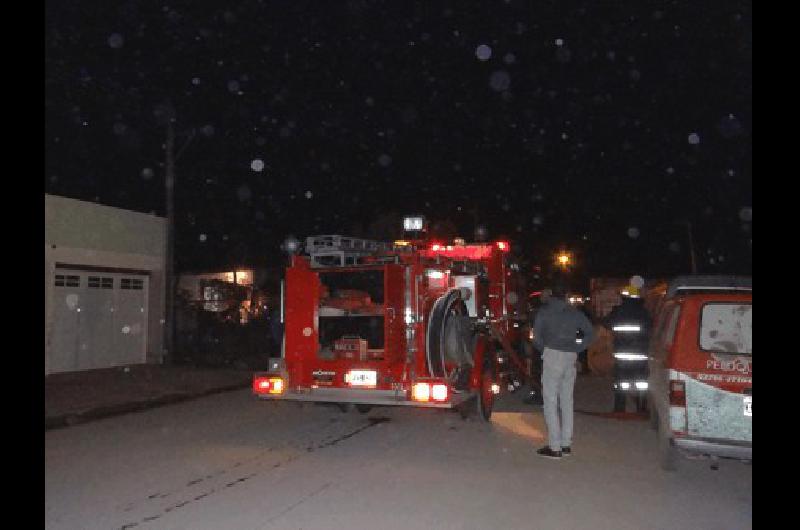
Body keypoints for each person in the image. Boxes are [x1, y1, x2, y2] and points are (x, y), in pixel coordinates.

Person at [532, 281, 595, 459]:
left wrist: (545, 349)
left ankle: (555, 446)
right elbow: (590, 333)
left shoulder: (544, 312)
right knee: (567, 399)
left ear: (551, 293)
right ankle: (566, 443)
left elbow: (536, 337)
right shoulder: (575, 313)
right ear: (566, 294)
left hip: (552, 354)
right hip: (570, 356)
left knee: (550, 401)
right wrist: (578, 347)